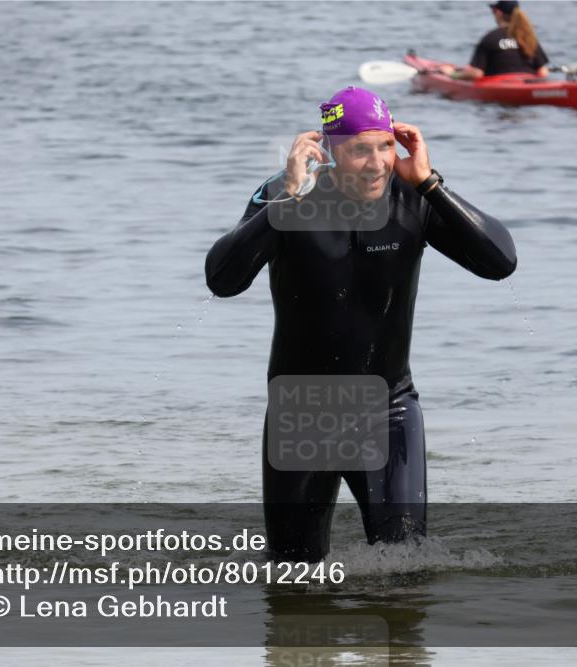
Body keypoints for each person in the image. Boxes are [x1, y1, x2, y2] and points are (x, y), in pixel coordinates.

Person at [205, 86, 517, 563]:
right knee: (295, 582)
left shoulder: (412, 194)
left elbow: (500, 262)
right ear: (326, 150)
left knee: (408, 570)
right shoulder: (283, 193)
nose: (377, 164)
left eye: (385, 146)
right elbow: (223, 280)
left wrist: (431, 183)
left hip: (387, 410)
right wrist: (285, 199)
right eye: (360, 150)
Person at [446, 0, 549, 81]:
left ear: (499, 13)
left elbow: (476, 74)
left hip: (498, 86)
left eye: (493, 11)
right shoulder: (528, 38)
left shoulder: (490, 38)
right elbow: (543, 73)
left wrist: (452, 74)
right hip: (528, 85)